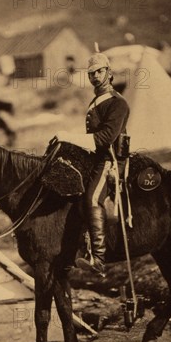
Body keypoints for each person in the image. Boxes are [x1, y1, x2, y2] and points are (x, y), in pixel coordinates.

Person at [56, 52, 130, 275]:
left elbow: (104, 138)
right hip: (96, 158)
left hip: (110, 160)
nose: (95, 76)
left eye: (99, 71)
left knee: (92, 197)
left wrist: (68, 136)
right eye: (91, 73)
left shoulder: (118, 103)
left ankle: (98, 257)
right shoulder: (96, 101)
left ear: (109, 73)